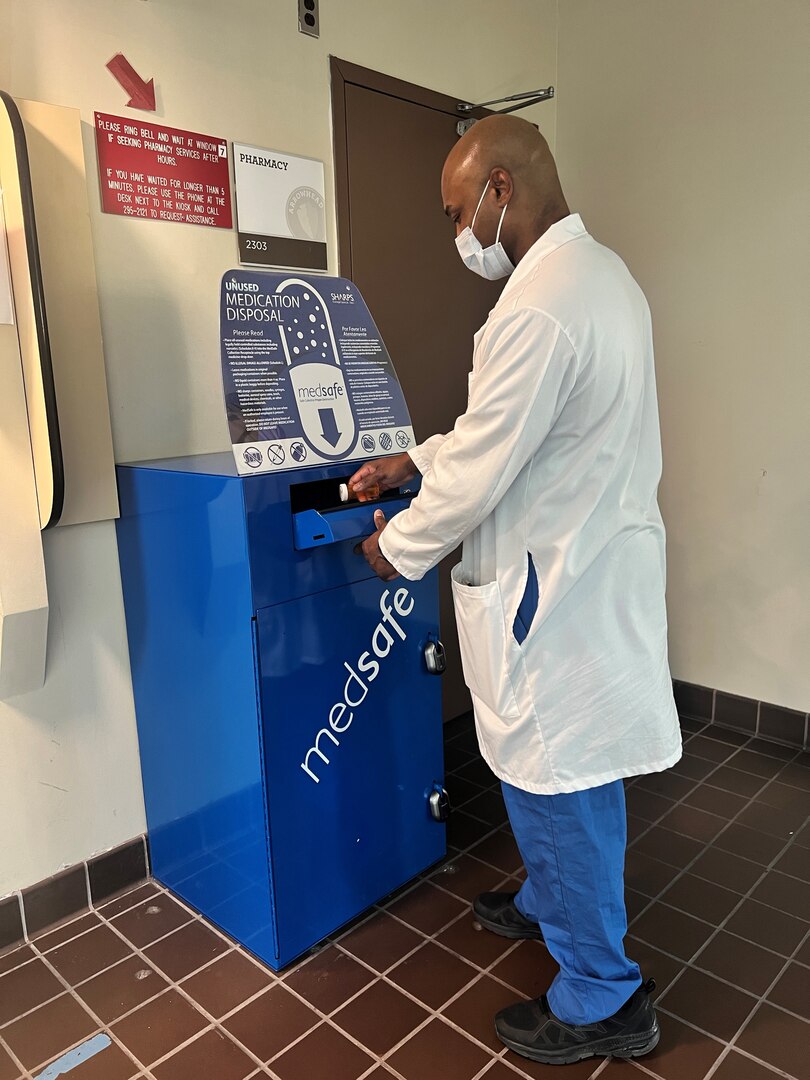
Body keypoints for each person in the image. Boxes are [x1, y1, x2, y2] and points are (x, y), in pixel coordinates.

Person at [350, 114, 682, 1066]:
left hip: (555, 587)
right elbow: (496, 430)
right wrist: (408, 459)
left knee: (550, 773)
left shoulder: (541, 307)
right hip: (590, 567)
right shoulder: (601, 279)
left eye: (459, 211)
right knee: (578, 769)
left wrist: (400, 543)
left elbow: (486, 462)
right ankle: (550, 900)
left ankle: (602, 997)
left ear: (501, 188)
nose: (458, 234)